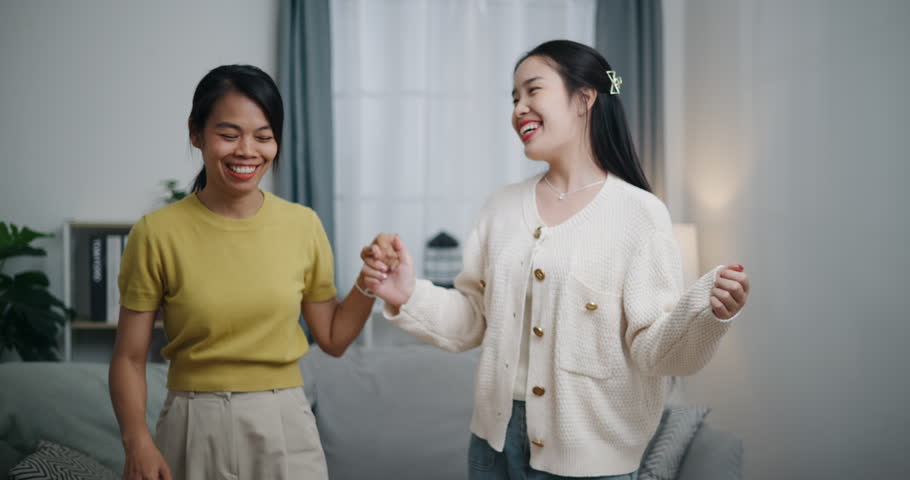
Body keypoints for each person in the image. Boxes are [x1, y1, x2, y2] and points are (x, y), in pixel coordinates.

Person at [360, 40, 751, 479]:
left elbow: (653, 350)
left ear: (584, 99)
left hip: (593, 464)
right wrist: (407, 293)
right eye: (513, 98)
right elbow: (472, 319)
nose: (518, 109)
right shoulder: (500, 208)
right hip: (491, 449)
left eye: (532, 90)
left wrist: (706, 312)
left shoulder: (640, 214)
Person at [108, 64, 387, 480]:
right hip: (191, 422)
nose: (247, 151)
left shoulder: (303, 225)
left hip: (285, 423)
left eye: (263, 136)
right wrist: (137, 442)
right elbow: (129, 358)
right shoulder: (156, 233)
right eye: (228, 134)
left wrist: (368, 283)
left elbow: (332, 338)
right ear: (196, 133)